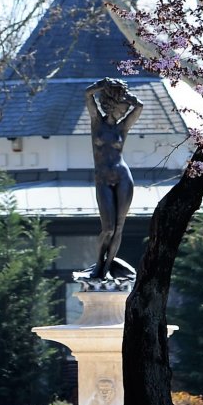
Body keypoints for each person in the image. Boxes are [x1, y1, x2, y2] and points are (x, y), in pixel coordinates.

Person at [83, 77, 141, 281]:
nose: (123, 113)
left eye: (125, 112)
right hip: (103, 179)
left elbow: (139, 107)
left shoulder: (122, 129)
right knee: (107, 228)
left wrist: (128, 97)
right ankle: (99, 263)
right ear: (112, 106)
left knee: (119, 227)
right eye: (121, 109)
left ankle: (107, 268)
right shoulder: (96, 123)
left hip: (123, 177)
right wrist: (102, 85)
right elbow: (87, 95)